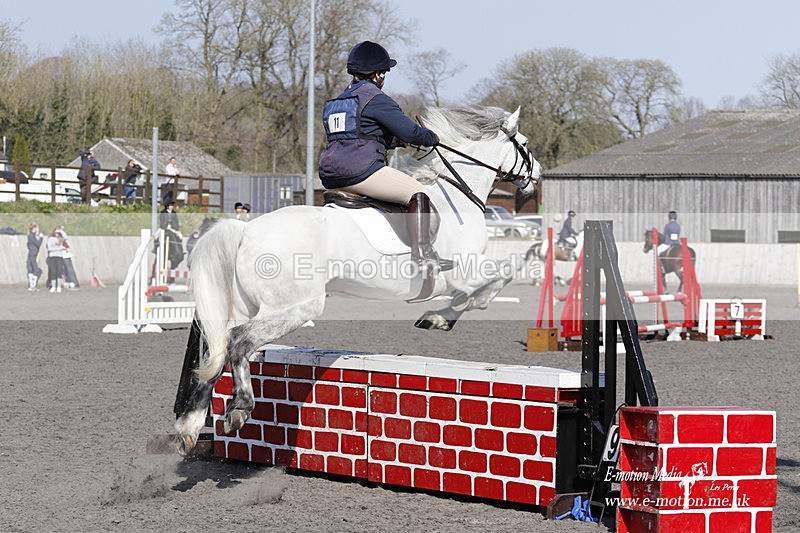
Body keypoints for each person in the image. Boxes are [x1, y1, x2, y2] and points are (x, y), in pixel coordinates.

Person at [318, 40, 440, 283]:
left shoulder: (336, 102)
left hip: (330, 174)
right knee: (418, 193)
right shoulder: (376, 99)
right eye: (384, 73)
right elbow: (412, 133)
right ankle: (422, 256)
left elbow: (356, 136)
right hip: (361, 172)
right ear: (377, 75)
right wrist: (433, 137)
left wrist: (393, 142)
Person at [160, 201, 184, 281]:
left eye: (172, 205)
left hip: (172, 229)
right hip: (165, 229)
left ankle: (179, 250)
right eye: (170, 205)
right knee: (157, 236)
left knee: (180, 237)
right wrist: (166, 225)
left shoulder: (174, 213)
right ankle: (156, 246)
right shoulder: (163, 212)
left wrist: (173, 225)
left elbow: (177, 223)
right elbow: (161, 222)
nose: (171, 207)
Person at [46, 227, 66, 293]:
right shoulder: (51, 239)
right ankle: (53, 286)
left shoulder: (61, 239)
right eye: (56, 232)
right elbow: (49, 248)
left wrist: (61, 231)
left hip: (59, 256)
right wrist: (58, 248)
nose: (57, 234)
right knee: (53, 271)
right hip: (52, 256)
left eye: (58, 233)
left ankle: (58, 286)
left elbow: (66, 237)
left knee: (59, 271)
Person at [26, 223, 43, 291]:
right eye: (35, 228)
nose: (36, 229)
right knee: (35, 269)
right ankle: (33, 285)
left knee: (32, 269)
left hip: (32, 254)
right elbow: (38, 244)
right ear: (33, 229)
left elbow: (28, 245)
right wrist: (41, 238)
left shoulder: (31, 236)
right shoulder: (31, 236)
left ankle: (32, 285)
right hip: (32, 254)